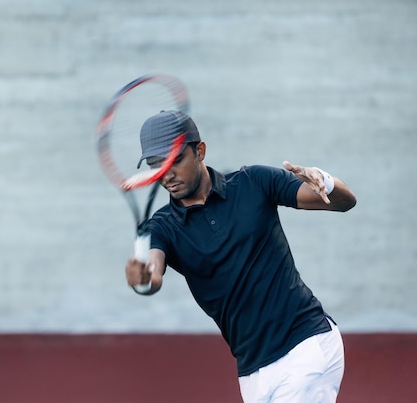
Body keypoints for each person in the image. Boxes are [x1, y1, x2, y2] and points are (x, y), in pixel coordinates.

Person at [125, 110, 357, 403]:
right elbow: (152, 274)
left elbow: (343, 203)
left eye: (175, 160)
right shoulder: (162, 227)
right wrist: (143, 280)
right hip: (253, 373)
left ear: (200, 151)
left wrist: (325, 180)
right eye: (156, 165)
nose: (166, 174)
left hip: (305, 345)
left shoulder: (254, 182)